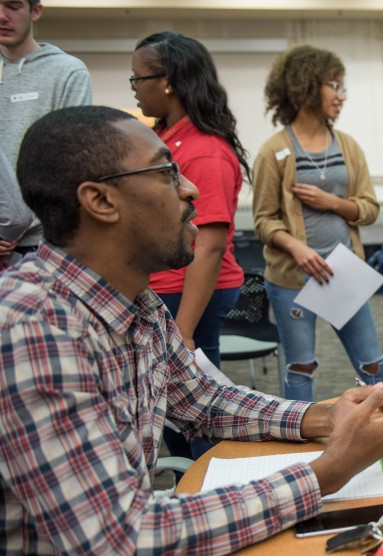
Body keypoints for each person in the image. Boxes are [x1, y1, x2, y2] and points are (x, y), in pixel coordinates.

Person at [1, 105, 383, 556]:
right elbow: (122, 549)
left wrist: (322, 416)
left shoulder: (136, 302)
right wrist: (325, 473)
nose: (191, 188)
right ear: (100, 201)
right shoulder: (35, 330)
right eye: (166, 172)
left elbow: (203, 401)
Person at [253, 45, 383, 402]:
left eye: (343, 86)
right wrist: (296, 248)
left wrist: (332, 202)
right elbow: (263, 221)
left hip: (343, 272)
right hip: (292, 278)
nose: (341, 95)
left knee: (374, 366)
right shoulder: (274, 152)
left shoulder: (347, 146)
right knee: (301, 367)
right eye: (334, 85)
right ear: (306, 86)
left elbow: (370, 208)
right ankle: (306, 449)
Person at [131, 32, 248, 367]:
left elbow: (209, 246)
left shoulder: (205, 151)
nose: (135, 88)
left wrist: (183, 331)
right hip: (164, 282)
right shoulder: (164, 138)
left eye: (138, 78)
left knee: (190, 395)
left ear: (168, 83)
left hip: (186, 288)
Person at [0, 0, 93, 256]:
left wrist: (10, 231)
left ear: (36, 10)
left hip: (45, 242)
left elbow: (69, 165)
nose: (2, 16)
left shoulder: (68, 72)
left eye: (13, 6)